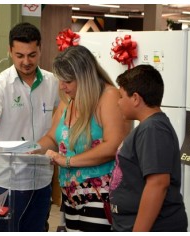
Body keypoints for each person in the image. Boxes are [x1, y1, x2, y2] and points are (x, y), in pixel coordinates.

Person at [0, 22, 59, 232]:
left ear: (40, 50)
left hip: (41, 178)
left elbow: (60, 124)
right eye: (20, 55)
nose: (26, 61)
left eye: (32, 55)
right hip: (7, 179)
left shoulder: (54, 83)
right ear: (10, 51)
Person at [37, 45, 131, 232]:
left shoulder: (108, 95)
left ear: (85, 77)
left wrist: (68, 161)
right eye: (61, 80)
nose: (62, 86)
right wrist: (28, 149)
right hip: (70, 193)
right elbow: (52, 138)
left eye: (68, 81)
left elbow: (112, 146)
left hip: (100, 193)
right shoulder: (69, 101)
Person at [109, 64, 188, 232]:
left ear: (136, 98)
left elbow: (158, 184)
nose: (118, 103)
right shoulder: (148, 127)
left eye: (121, 96)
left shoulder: (153, 129)